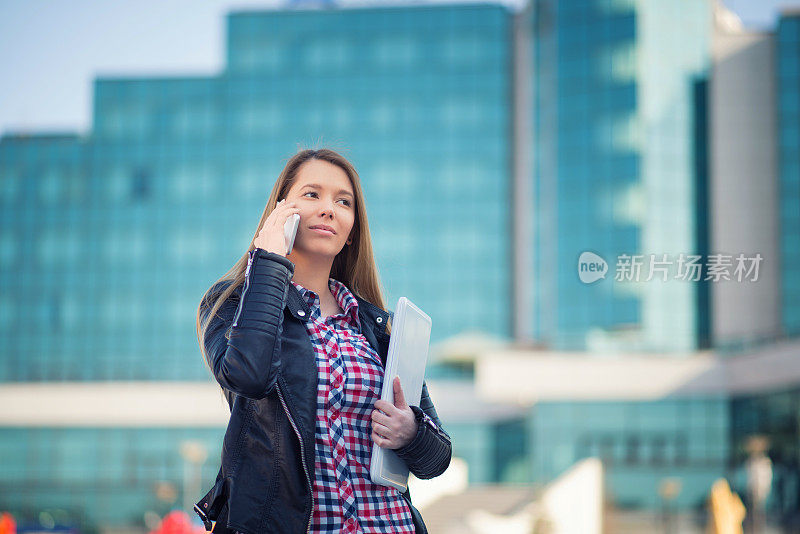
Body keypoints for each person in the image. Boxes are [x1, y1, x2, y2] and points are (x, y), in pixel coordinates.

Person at [193, 148, 452, 534]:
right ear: (281, 211)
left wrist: (410, 432)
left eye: (343, 201)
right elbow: (249, 375)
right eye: (312, 194)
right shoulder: (233, 302)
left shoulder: (379, 327)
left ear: (351, 231)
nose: (329, 208)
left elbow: (437, 459)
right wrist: (268, 259)